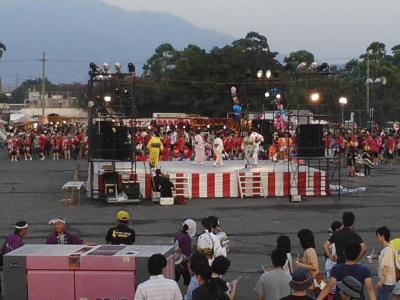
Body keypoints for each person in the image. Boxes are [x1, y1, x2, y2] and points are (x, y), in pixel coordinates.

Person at [375, 227, 396, 300]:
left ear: (382, 236)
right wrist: (376, 257)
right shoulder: (387, 248)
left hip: (386, 282)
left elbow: (386, 267)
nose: (377, 237)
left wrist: (381, 282)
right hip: (387, 281)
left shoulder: (387, 250)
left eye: (378, 235)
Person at [175, 219, 197, 287]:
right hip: (183, 263)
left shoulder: (179, 234)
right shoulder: (186, 237)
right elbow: (187, 252)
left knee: (175, 279)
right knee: (187, 280)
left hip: (176, 261)